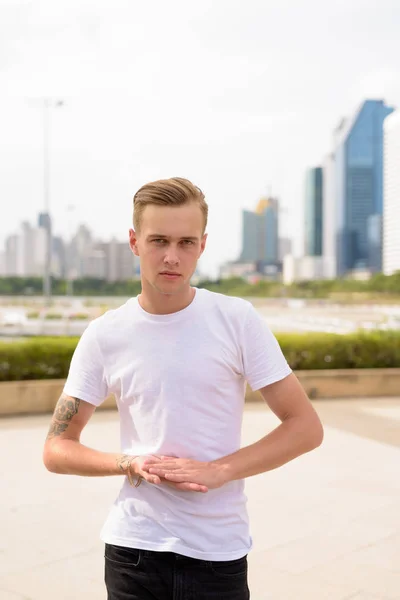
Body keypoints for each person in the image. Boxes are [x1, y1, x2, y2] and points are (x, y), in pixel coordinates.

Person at [43, 177, 324, 599]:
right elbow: (57, 448)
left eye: (186, 243)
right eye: (158, 240)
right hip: (133, 552)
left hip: (218, 552)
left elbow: (305, 426)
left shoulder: (237, 320)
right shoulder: (105, 334)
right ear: (135, 242)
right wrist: (128, 463)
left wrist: (219, 470)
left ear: (203, 245)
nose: (172, 257)